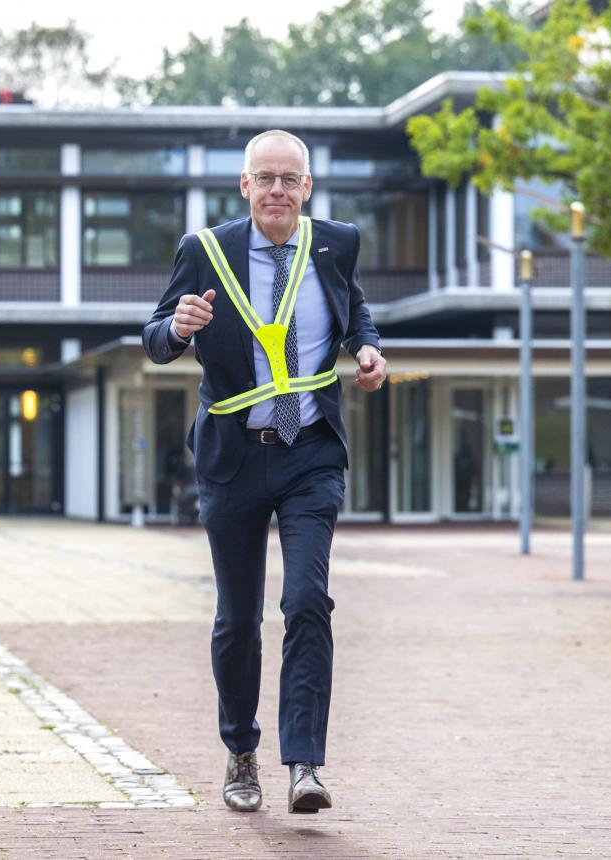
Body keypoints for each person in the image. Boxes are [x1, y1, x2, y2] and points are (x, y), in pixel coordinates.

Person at [142, 129, 386, 814]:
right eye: (265, 178)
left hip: (310, 451)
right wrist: (180, 327)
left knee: (307, 601)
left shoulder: (336, 243)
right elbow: (155, 337)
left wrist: (368, 350)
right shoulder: (207, 251)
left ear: (308, 189)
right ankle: (240, 751)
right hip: (233, 456)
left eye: (290, 178)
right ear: (244, 187)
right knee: (238, 618)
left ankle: (304, 763)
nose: (278, 189)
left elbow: (354, 311)